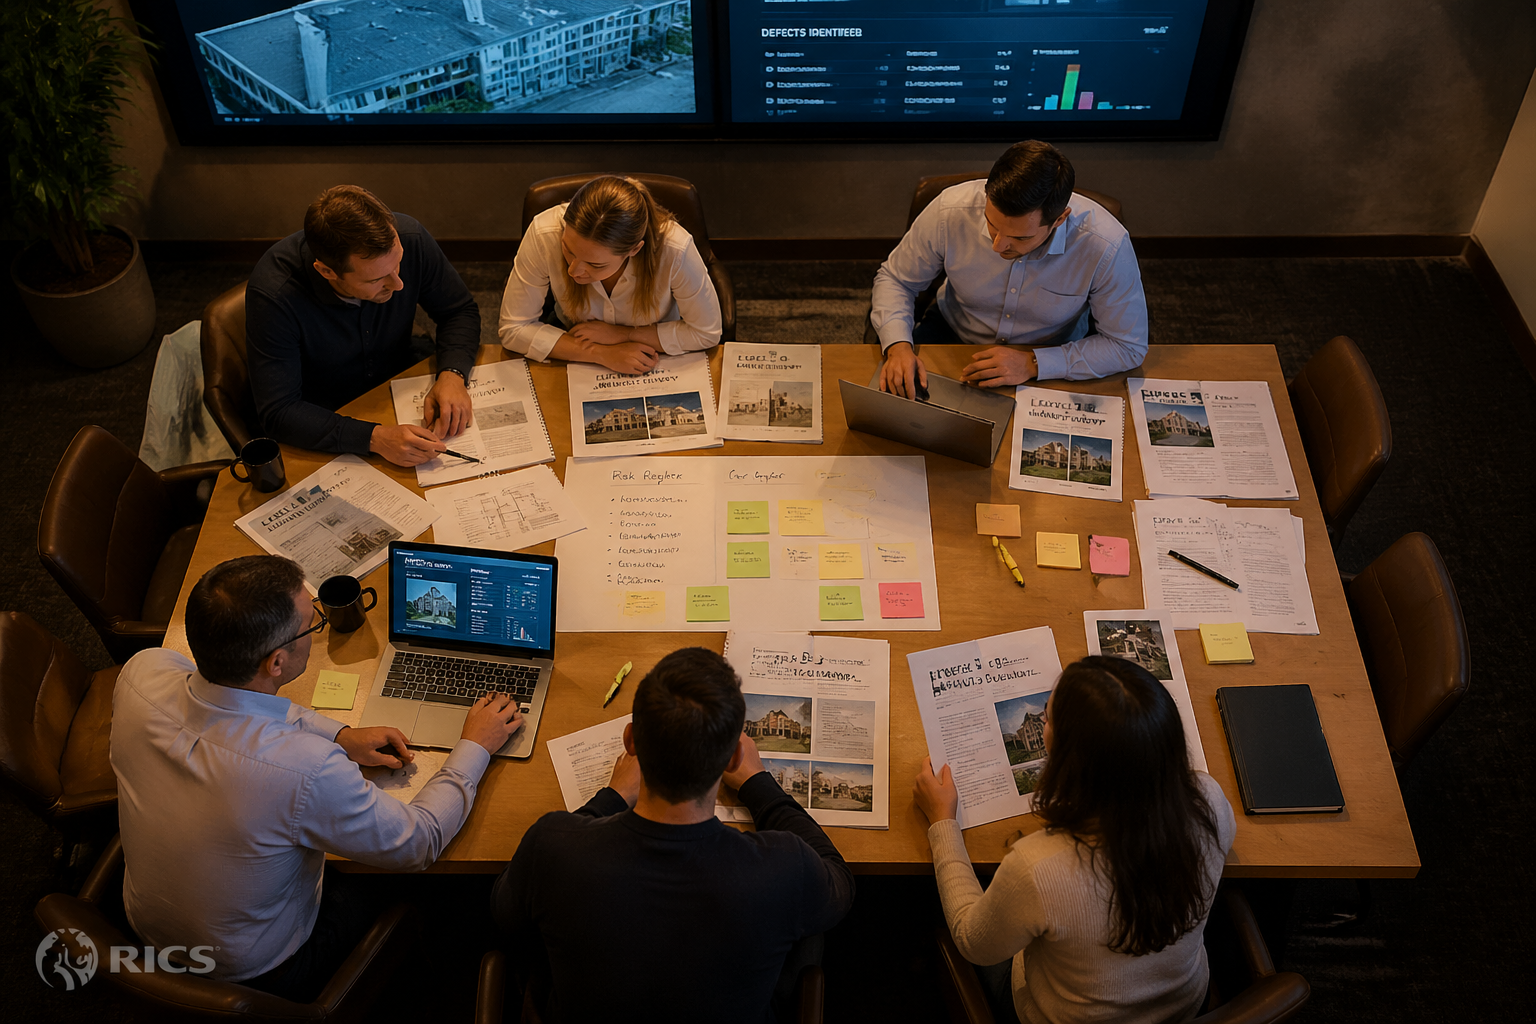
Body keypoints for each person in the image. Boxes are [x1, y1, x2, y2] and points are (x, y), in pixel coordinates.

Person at [110, 555, 524, 997]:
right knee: (436, 891)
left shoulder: (142, 671)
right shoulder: (304, 769)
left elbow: (239, 708)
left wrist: (341, 734)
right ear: (276, 663)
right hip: (254, 971)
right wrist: (475, 745)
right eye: (311, 625)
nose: (317, 629)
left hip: (146, 927)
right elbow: (418, 842)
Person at [491, 647, 853, 1021]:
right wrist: (759, 785)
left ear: (631, 741)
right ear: (732, 758)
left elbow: (506, 913)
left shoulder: (552, 846)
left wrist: (612, 797)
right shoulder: (782, 866)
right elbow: (839, 882)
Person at [913, 656, 1236, 1024]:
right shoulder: (1208, 800)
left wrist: (942, 822)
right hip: (1185, 1004)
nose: (1042, 719)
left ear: (1070, 758)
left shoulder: (1040, 867)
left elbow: (974, 943)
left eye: (1048, 717)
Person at [872, 140, 1148, 398]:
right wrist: (897, 347)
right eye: (991, 223)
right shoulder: (950, 211)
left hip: (1053, 349)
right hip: (953, 332)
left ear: (1059, 219)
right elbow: (897, 280)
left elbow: (1127, 345)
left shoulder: (1104, 244)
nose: (997, 245)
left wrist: (1034, 363)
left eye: (1020, 237)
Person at [247, 184, 482, 466]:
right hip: (329, 415)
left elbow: (458, 310)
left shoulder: (412, 237)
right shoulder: (274, 295)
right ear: (327, 272)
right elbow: (279, 411)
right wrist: (375, 438)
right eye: (376, 280)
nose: (398, 284)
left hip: (398, 385)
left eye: (398, 264)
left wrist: (453, 374)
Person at [498, 175, 722, 374]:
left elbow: (706, 332)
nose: (573, 270)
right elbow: (514, 328)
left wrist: (623, 335)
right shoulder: (544, 232)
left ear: (634, 250)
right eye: (568, 250)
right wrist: (600, 354)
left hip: (656, 352)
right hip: (571, 343)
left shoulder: (674, 248)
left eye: (596, 264)